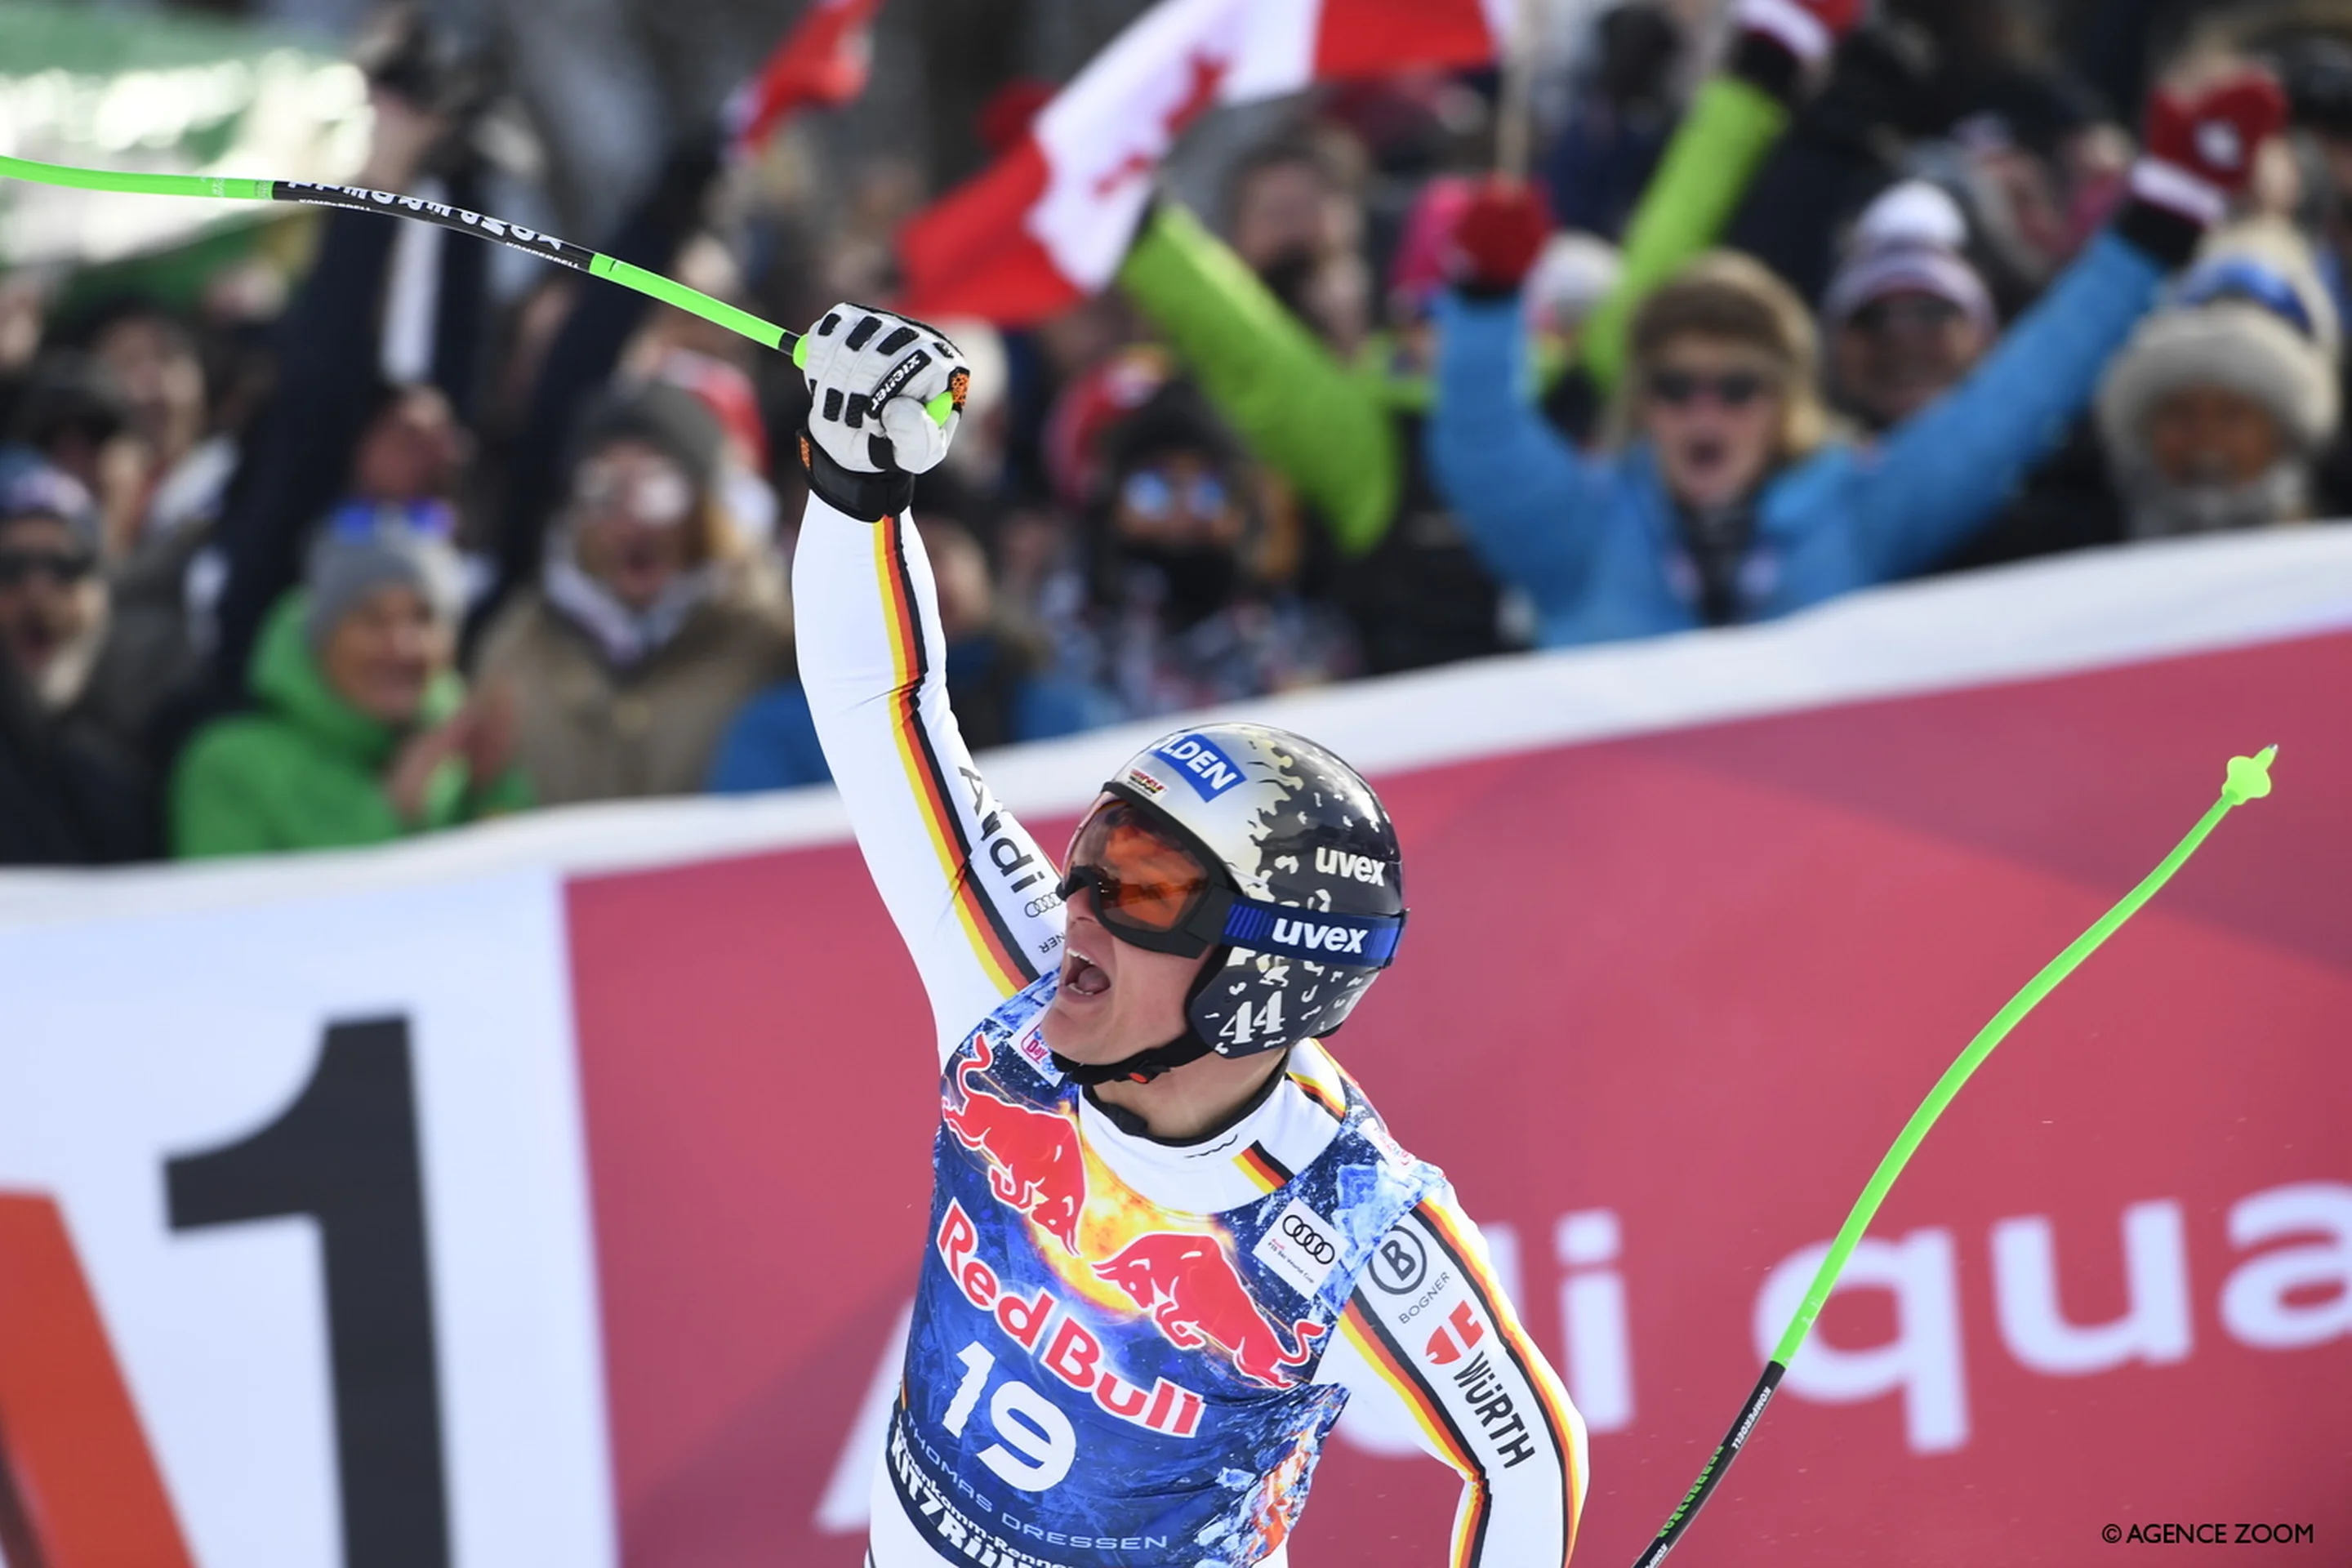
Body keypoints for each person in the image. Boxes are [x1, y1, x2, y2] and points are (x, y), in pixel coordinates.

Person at [791, 305, 1584, 1567]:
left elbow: (1524, 1454)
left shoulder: (1349, 1220)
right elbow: (883, 708)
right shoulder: (1014, 992)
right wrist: (852, 491)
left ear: (1261, 982)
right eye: (1096, 852)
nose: (1081, 905)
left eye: (1147, 887)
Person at [1428, 68, 2287, 648]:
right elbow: (1480, 442)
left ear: (1784, 401)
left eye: (1738, 387)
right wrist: (1486, 304)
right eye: (1676, 387)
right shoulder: (1580, 532)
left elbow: (2015, 403)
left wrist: (2156, 226)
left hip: (1803, 890)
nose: (1705, 411)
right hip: (1615, 879)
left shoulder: (1856, 509)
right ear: (1644, 404)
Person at [474, 381, 792, 803]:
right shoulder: (517, 649)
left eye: (658, 490)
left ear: (706, 508)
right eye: (602, 490)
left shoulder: (772, 644)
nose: (629, 522)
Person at [169, 501, 527, 857]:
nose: (402, 646)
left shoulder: (456, 761)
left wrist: (492, 789)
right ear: (321, 639)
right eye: (372, 620)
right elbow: (232, 909)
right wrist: (392, 815)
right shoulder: (230, 767)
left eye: (424, 619)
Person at [706, 514, 1112, 792]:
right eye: (888, 559)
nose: (918, 579)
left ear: (982, 572)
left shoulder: (1065, 713)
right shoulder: (778, 732)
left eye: (935, 552)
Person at [2096, 221, 2344, 537]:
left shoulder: (2330, 556)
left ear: (2282, 435)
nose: (2205, 438)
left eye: (2232, 414)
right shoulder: (2072, 544)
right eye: (2180, 413)